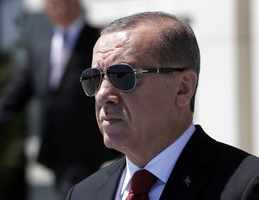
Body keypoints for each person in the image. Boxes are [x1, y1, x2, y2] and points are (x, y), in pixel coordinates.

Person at [65, 11, 259, 200]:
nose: (103, 94)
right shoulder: (83, 194)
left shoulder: (246, 185)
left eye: (122, 76)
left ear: (183, 88)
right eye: (94, 78)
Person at [0, 0, 118, 198]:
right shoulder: (41, 48)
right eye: (55, 4)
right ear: (47, 9)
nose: (62, 9)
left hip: (87, 144)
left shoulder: (98, 42)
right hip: (54, 148)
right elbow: (17, 91)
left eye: (67, 3)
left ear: (77, 4)